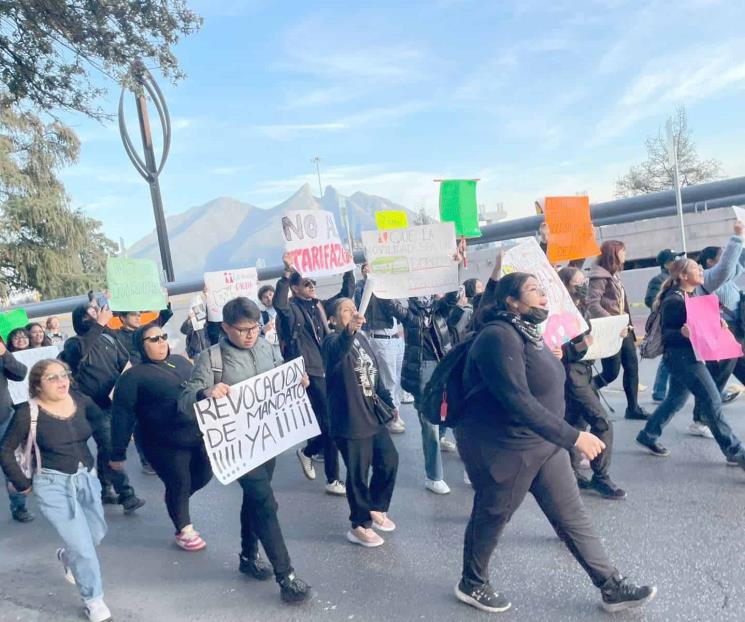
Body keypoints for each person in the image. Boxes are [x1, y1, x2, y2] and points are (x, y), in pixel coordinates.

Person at [453, 273, 656, 614]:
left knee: (572, 516)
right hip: (506, 447)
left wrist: (570, 351)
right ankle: (472, 582)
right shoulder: (497, 337)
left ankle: (610, 585)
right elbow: (517, 399)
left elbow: (544, 378)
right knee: (493, 515)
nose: (544, 295)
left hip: (543, 444)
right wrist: (574, 436)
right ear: (511, 302)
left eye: (542, 289)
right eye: (534, 290)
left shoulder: (529, 333)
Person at [178, 297, 312, 604]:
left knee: (255, 498)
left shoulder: (266, 346)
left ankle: (249, 556)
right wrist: (205, 392)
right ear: (225, 328)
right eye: (242, 330)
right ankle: (286, 575)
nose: (250, 334)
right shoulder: (210, 358)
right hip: (236, 448)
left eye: (254, 328)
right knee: (265, 502)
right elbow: (184, 402)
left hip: (268, 441)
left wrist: (296, 382)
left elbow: (279, 375)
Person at [0, 359, 113, 622]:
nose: (62, 381)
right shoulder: (28, 413)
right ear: (37, 385)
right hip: (52, 485)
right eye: (52, 378)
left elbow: (101, 425)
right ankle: (94, 600)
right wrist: (22, 483)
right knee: (84, 548)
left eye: (64, 375)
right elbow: (5, 449)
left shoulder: (80, 400)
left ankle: (66, 556)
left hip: (86, 478)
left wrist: (112, 454)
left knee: (96, 534)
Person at [636, 256, 745, 467]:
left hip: (692, 356)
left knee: (675, 400)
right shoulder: (674, 300)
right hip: (682, 358)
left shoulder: (693, 295)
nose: (702, 270)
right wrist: (682, 333)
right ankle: (735, 451)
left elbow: (701, 325)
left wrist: (718, 322)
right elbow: (668, 336)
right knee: (712, 399)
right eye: (697, 268)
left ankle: (648, 435)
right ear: (683, 276)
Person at [111, 323, 211, 550]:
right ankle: (183, 528)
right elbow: (122, 416)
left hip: (195, 433)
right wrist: (117, 453)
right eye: (154, 339)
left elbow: (202, 388)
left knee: (204, 474)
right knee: (179, 481)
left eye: (163, 336)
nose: (161, 342)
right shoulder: (132, 377)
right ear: (140, 345)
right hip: (161, 442)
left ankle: (176, 499)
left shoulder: (182, 362)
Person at [274, 252, 354, 494]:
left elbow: (345, 296)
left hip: (326, 367)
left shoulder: (318, 305)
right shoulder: (292, 310)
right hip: (309, 371)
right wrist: (286, 275)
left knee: (327, 423)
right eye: (306, 283)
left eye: (313, 283)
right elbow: (279, 304)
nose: (311, 287)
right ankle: (332, 479)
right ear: (295, 288)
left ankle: (308, 451)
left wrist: (349, 268)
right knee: (329, 423)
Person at [383, 252, 462, 494]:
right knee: (428, 422)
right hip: (421, 370)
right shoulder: (409, 315)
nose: (424, 296)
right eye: (419, 292)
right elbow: (389, 303)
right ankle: (434, 475)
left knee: (449, 412)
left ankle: (442, 436)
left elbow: (452, 295)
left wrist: (455, 265)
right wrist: (382, 278)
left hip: (444, 366)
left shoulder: (440, 311)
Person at [322, 298, 399, 547]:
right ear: (333, 320)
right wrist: (350, 330)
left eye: (354, 308)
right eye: (346, 310)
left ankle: (376, 506)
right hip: (350, 421)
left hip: (373, 416)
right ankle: (359, 524)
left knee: (389, 461)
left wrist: (389, 404)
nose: (353, 312)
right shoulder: (331, 341)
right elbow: (338, 348)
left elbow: (374, 375)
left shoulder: (363, 339)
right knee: (358, 476)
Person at [58, 302, 145, 513]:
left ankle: (105, 489)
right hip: (91, 405)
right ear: (82, 320)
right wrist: (100, 325)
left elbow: (125, 360)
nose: (99, 315)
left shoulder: (108, 337)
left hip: (113, 403)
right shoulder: (74, 343)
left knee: (107, 447)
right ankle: (126, 494)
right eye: (92, 313)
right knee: (109, 445)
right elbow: (79, 353)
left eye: (99, 312)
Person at [559, 267, 625, 499]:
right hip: (572, 376)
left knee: (575, 424)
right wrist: (583, 344)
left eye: (584, 279)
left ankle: (571, 473)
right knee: (602, 422)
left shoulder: (581, 308)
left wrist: (612, 335)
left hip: (583, 372)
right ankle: (601, 476)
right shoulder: (559, 312)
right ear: (566, 285)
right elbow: (560, 351)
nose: (584, 284)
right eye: (579, 281)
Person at [587, 240, 649, 420]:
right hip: (611, 329)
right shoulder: (599, 276)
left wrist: (627, 323)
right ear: (612, 253)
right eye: (622, 251)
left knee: (632, 367)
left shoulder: (614, 274)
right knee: (611, 372)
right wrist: (613, 322)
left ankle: (633, 408)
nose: (625, 254)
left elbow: (622, 303)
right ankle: (584, 391)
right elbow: (593, 304)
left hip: (624, 328)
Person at [354, 269, 406, 435]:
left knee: (397, 378)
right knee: (388, 379)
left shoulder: (388, 284)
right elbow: (363, 302)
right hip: (381, 336)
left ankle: (395, 411)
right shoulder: (364, 288)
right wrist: (372, 280)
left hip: (396, 336)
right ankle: (390, 417)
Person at [0, 336, 32, 522]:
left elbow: (20, 373)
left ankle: (19, 506)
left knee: (13, 464)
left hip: (4, 419)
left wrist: (5, 354)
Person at [645, 249, 680, 403]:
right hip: (667, 323)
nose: (679, 260)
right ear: (667, 264)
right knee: (669, 357)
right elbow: (650, 300)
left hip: (680, 322)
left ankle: (661, 392)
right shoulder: (658, 280)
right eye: (675, 259)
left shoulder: (679, 277)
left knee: (672, 357)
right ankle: (659, 392)